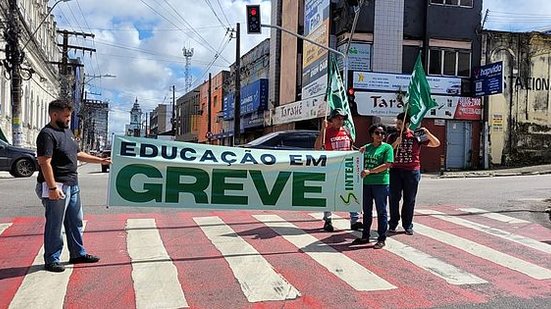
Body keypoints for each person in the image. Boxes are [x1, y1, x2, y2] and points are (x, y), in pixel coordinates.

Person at [36, 99, 111, 272]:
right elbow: (44, 162)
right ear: (54, 115)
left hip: (72, 184)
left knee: (75, 221)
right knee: (55, 224)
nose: (69, 119)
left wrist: (101, 160)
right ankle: (52, 259)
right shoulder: (47, 134)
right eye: (66, 117)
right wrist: (53, 188)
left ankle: (77, 253)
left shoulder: (67, 131)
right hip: (57, 185)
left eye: (69, 116)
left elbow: (78, 154)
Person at [386, 112, 440, 235]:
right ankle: (393, 223)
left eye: (400, 124)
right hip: (395, 170)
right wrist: (395, 144)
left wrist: (428, 133)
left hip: (412, 171)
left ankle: (407, 225)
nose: (397, 126)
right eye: (397, 123)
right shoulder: (392, 136)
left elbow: (436, 143)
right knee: (394, 198)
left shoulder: (416, 135)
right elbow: (386, 151)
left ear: (407, 124)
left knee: (409, 199)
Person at [314, 108, 361, 232]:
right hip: (332, 169)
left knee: (351, 192)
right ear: (332, 119)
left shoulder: (346, 131)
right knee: (330, 194)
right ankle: (328, 220)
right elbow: (317, 148)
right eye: (338, 118)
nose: (340, 121)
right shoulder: (326, 132)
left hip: (347, 168)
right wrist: (322, 130)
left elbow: (351, 146)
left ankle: (355, 220)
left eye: (342, 119)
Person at [352, 124, 393, 249]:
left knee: (382, 211)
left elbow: (387, 164)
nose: (380, 135)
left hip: (380, 183)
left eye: (382, 133)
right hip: (366, 184)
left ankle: (381, 238)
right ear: (372, 135)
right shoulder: (366, 148)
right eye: (377, 133)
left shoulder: (387, 148)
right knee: (367, 211)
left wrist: (370, 171)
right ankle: (365, 236)